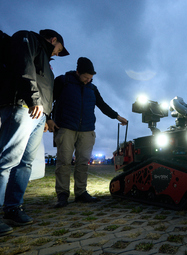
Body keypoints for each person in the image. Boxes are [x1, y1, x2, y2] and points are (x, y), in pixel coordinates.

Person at [0, 29, 69, 236]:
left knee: (25, 163)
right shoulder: (28, 38)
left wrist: (47, 116)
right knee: (7, 160)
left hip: (39, 114)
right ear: (54, 40)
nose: (57, 54)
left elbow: (45, 86)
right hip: (22, 106)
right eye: (59, 50)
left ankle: (13, 208)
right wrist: (33, 99)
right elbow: (24, 66)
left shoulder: (47, 62)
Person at [47, 57, 128, 208]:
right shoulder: (63, 81)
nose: (88, 80)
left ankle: (81, 192)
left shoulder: (92, 88)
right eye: (85, 77)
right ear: (78, 72)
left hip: (87, 130)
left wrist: (117, 116)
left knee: (83, 162)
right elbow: (49, 99)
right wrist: (48, 119)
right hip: (65, 128)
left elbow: (102, 105)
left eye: (91, 77)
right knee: (63, 162)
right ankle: (62, 194)